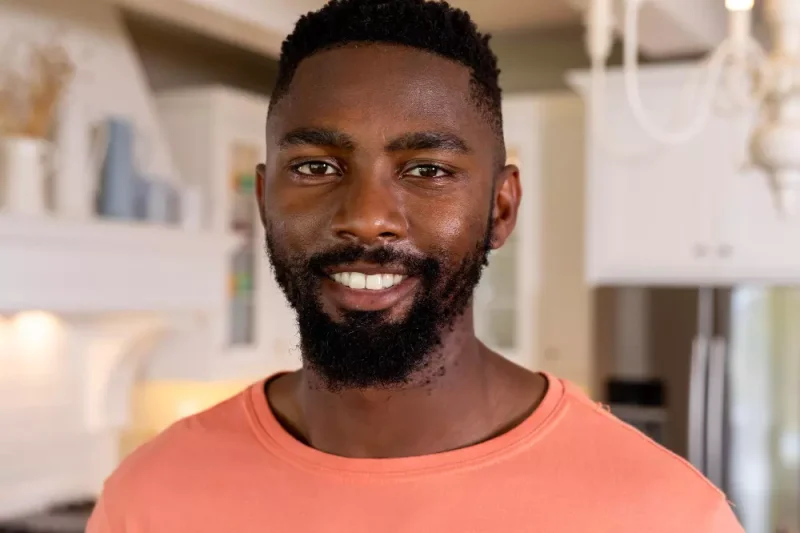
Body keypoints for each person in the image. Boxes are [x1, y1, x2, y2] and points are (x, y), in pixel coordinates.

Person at [87, 0, 744, 531]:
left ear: (501, 208)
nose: (368, 216)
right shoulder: (150, 499)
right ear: (263, 199)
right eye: (317, 167)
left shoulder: (665, 514)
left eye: (427, 170)